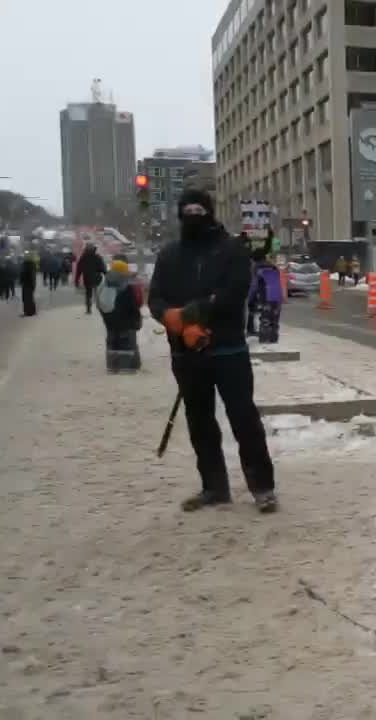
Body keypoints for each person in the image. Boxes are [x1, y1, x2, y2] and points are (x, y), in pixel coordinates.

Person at [148, 189, 278, 514]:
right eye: (187, 209)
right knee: (200, 422)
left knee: (243, 418)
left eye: (199, 209)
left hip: (228, 349)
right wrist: (175, 322)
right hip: (187, 354)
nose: (193, 214)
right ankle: (214, 486)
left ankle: (263, 487)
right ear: (180, 215)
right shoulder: (169, 255)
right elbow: (156, 299)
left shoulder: (231, 250)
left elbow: (235, 292)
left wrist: (194, 313)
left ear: (209, 212)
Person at [96, 258, 143, 372]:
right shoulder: (126, 286)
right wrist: (137, 318)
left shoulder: (104, 283)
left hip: (110, 320)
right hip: (126, 321)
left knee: (112, 340)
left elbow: (99, 302)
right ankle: (130, 365)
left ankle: (113, 365)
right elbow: (132, 306)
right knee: (128, 341)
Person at [249, 258, 284, 343]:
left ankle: (264, 340)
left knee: (265, 320)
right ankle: (274, 339)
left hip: (265, 297)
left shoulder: (257, 269)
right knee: (275, 320)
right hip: (277, 296)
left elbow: (254, 286)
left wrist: (250, 299)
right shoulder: (274, 268)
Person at [75, 244, 106, 314]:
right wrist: (106, 275)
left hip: (87, 278)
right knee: (98, 293)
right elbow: (103, 268)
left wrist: (77, 280)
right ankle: (100, 307)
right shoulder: (98, 257)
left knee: (88, 294)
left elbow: (78, 270)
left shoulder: (83, 258)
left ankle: (89, 309)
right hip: (97, 278)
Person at [19, 252, 38, 316]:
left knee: (26, 298)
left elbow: (25, 275)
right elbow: (32, 275)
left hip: (27, 284)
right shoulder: (32, 265)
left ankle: (28, 312)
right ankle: (32, 311)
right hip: (30, 284)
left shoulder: (27, 265)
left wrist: (21, 280)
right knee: (29, 298)